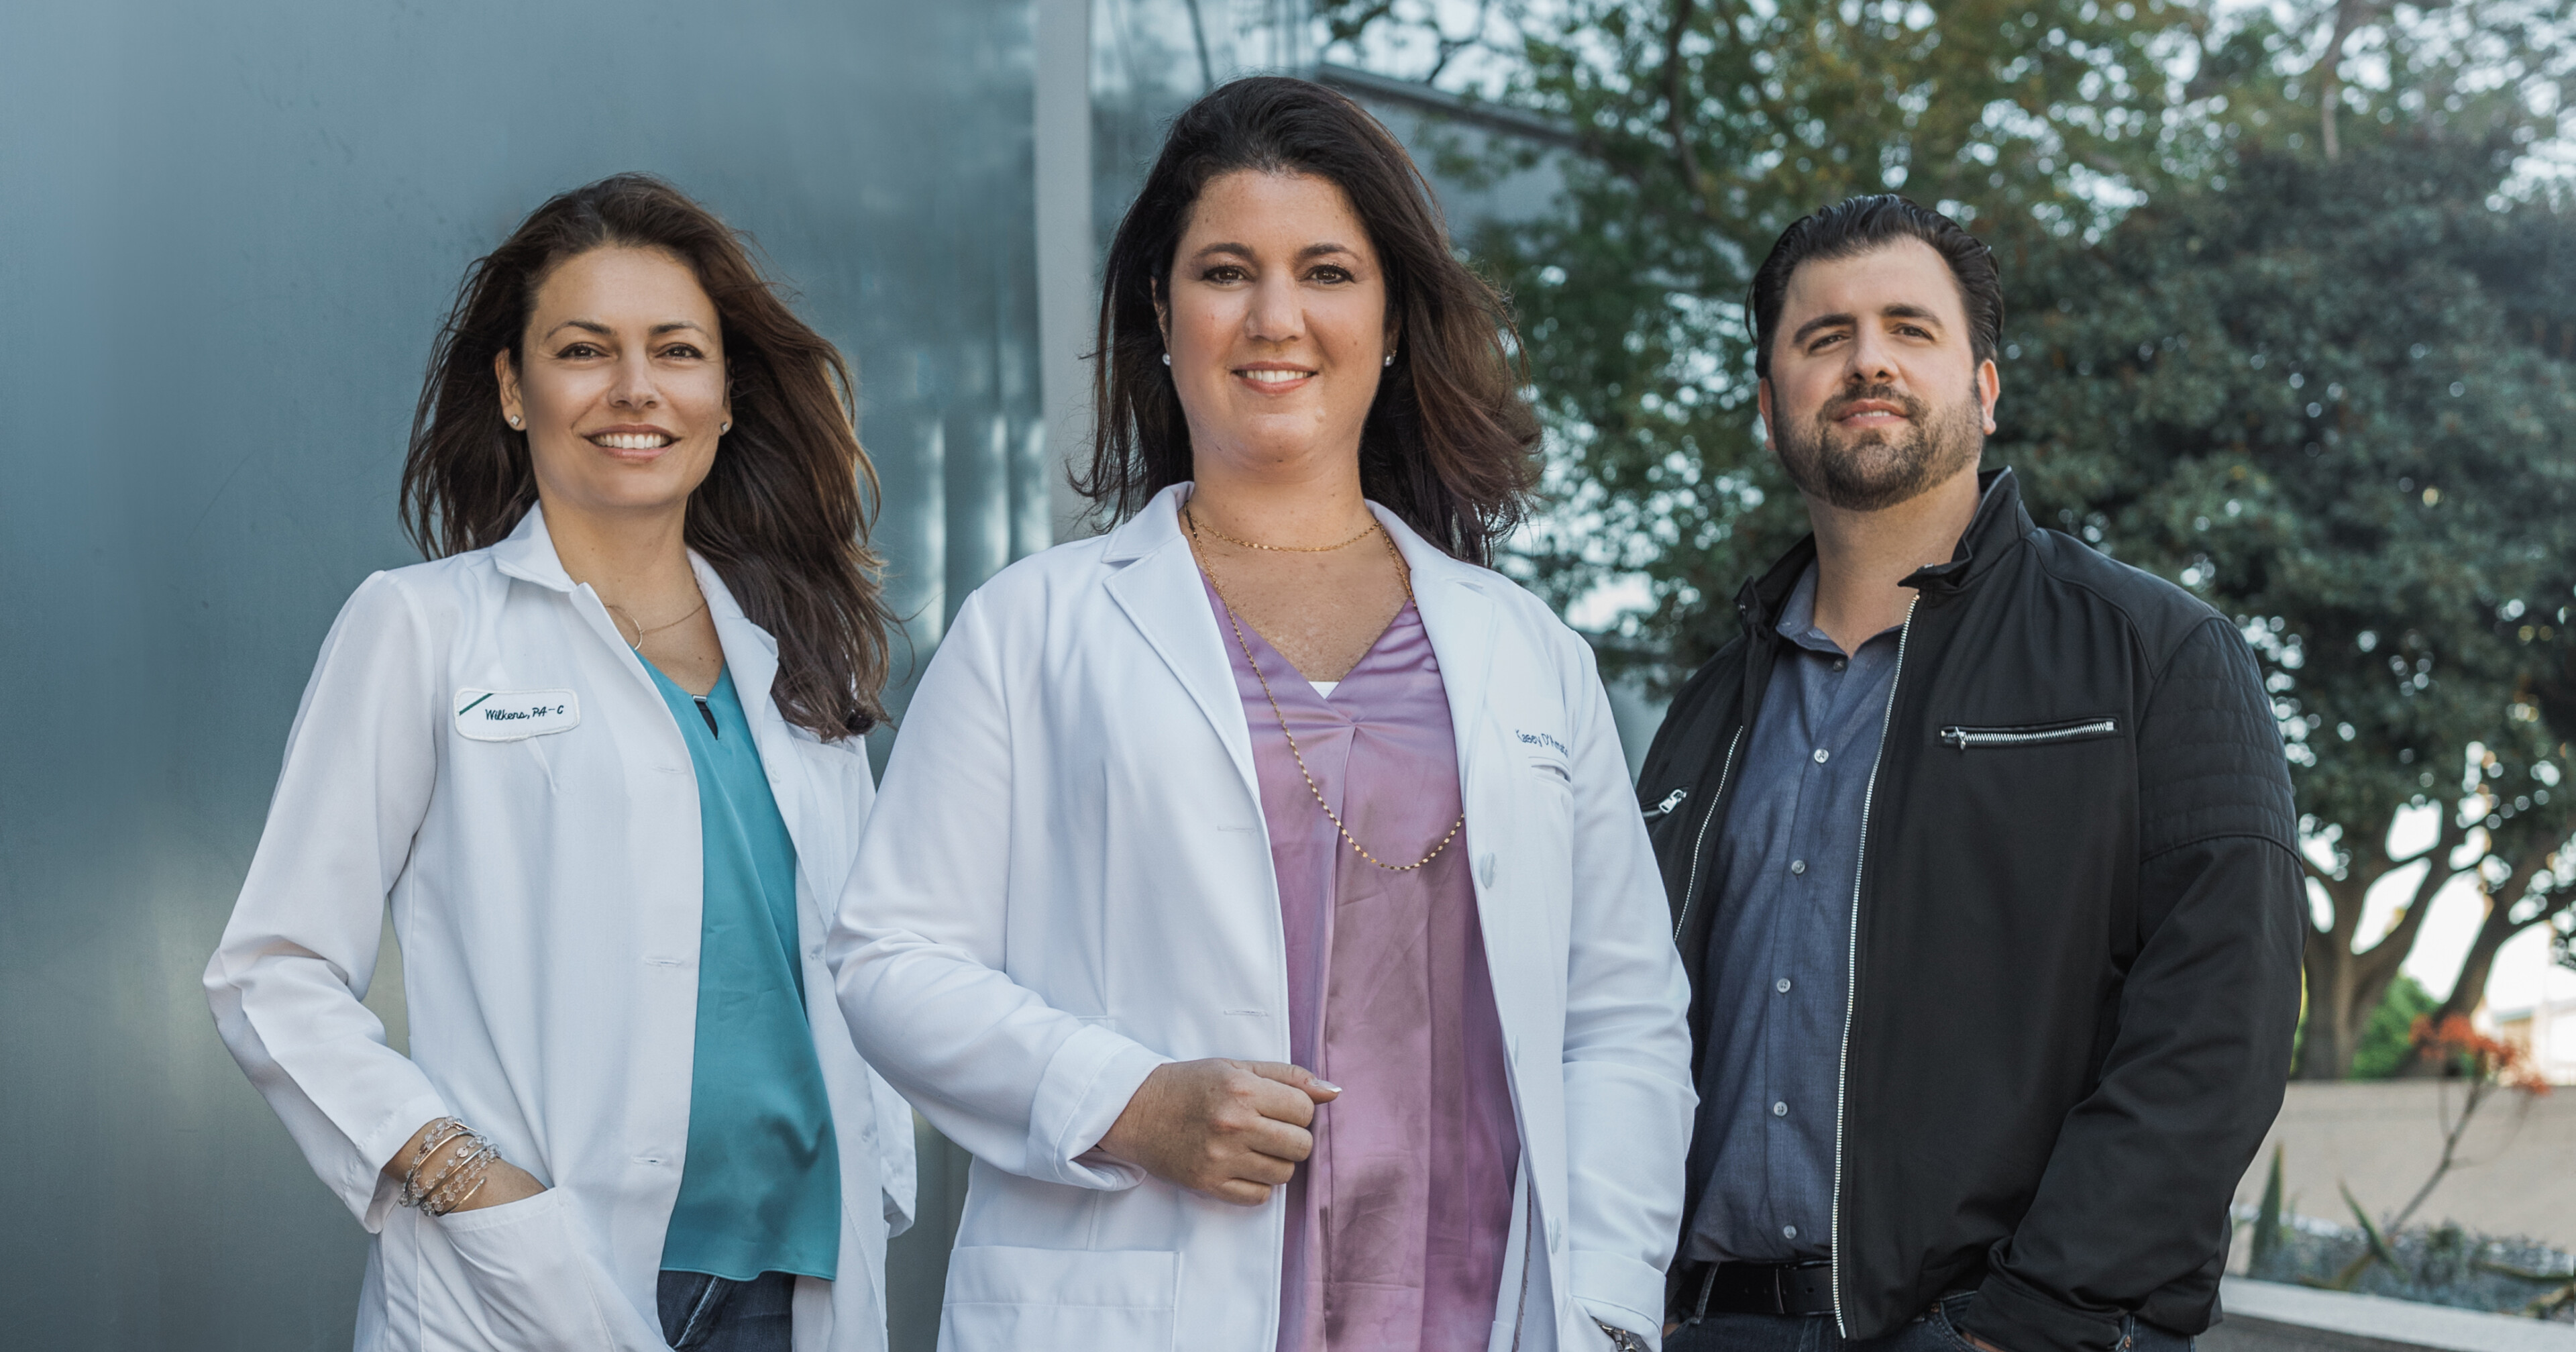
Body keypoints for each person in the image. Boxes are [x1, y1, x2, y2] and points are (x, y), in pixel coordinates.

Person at [828, 77, 1694, 1352]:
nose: (1276, 317)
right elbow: (890, 961)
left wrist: (1611, 1304)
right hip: (1138, 1295)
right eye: (1227, 272)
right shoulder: (1035, 627)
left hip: (1474, 1306)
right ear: (1163, 320)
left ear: (1392, 321)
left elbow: (1619, 1016)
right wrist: (1128, 1102)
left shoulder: (1526, 652)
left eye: (1328, 272)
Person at [205, 174, 914, 1352]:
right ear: (513, 389)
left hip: (793, 1287)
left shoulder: (792, 659)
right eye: (584, 350)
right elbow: (270, 971)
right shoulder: (422, 627)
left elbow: (863, 953)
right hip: (535, 1288)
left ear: (726, 395)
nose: (636, 390)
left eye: (677, 351)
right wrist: (461, 1178)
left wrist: (882, 1163)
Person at [1638, 195, 2304, 1352]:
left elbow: (2217, 1029)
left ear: (1985, 388)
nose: (1867, 362)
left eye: (1910, 327)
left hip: (1999, 1331)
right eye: (1822, 336)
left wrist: (2019, 1327)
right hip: (1709, 1325)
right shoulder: (1703, 720)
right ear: (1768, 404)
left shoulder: (2153, 655)